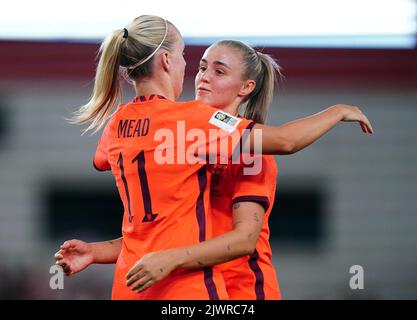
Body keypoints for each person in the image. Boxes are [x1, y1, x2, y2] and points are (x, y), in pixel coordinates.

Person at [54, 15, 373, 300]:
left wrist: (337, 110)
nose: (202, 76)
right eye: (201, 65)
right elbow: (161, 234)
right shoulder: (187, 126)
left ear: (246, 87)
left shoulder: (247, 152)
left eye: (219, 71)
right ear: (167, 61)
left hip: (244, 289)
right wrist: (98, 252)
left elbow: (244, 238)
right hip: (184, 285)